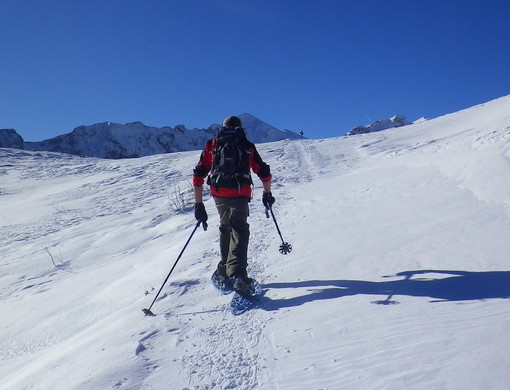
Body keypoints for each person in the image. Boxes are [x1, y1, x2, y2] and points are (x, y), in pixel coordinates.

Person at [192, 115, 275, 297]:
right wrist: (267, 193)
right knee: (239, 230)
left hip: (219, 192)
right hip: (240, 192)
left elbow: (199, 173)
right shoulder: (247, 146)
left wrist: (198, 205)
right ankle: (237, 275)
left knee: (226, 227)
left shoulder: (213, 144)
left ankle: (224, 272)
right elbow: (263, 171)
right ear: (240, 128)